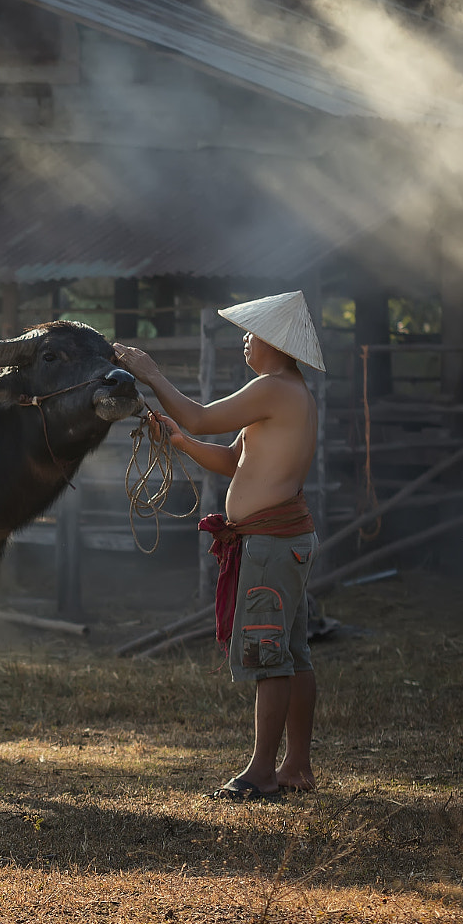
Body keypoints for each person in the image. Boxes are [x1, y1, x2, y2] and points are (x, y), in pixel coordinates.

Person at [114, 291, 324, 801]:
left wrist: (151, 373)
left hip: (272, 544)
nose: (246, 341)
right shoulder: (281, 391)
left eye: (252, 334)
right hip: (280, 539)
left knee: (269, 653)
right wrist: (181, 444)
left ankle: (261, 773)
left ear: (275, 343)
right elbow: (235, 460)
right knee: (291, 653)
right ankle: (295, 766)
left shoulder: (274, 389)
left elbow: (203, 417)